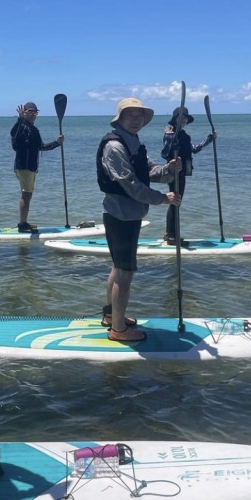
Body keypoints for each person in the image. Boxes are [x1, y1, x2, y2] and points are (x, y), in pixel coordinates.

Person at [96, 97, 179, 344]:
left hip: (128, 215)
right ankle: (119, 331)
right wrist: (162, 199)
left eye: (139, 115)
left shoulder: (132, 141)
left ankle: (111, 316)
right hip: (121, 215)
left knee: (118, 267)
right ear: (119, 118)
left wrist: (169, 169)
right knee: (125, 273)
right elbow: (131, 184)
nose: (135, 119)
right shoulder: (115, 146)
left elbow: (149, 171)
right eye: (130, 114)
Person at [160, 106, 216, 244]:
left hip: (183, 172)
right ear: (175, 118)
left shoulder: (183, 135)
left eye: (185, 117)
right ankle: (171, 236)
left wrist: (210, 139)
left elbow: (194, 149)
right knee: (175, 201)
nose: (184, 119)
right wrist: (169, 137)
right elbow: (165, 154)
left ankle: (170, 234)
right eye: (182, 117)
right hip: (174, 172)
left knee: (176, 202)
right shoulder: (170, 132)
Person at [10, 101, 64, 232]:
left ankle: (24, 222)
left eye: (35, 112)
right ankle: (22, 225)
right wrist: (19, 120)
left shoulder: (33, 129)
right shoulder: (21, 127)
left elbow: (41, 146)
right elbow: (14, 141)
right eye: (30, 112)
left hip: (32, 167)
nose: (33, 115)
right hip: (24, 167)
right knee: (26, 195)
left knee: (28, 195)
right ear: (25, 112)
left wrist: (57, 143)